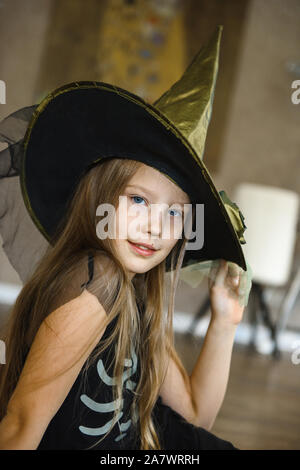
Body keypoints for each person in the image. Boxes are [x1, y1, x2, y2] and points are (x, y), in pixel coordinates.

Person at [0, 26, 252, 450]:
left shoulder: (138, 292)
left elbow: (195, 415)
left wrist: (224, 322)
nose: (156, 226)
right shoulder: (99, 280)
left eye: (175, 213)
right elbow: (20, 425)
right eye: (138, 199)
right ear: (101, 199)